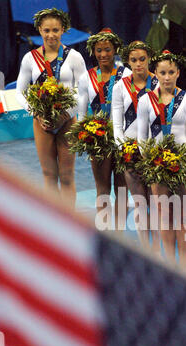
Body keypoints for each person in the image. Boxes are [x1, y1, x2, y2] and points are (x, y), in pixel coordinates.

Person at [16, 8, 86, 209]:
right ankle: (54, 220)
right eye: (46, 30)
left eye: (55, 30)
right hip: (42, 122)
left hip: (67, 121)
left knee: (66, 176)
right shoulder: (30, 58)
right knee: (49, 175)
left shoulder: (74, 57)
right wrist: (36, 113)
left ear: (63, 29)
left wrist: (66, 115)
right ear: (39, 30)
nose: (51, 35)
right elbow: (20, 92)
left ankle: (70, 221)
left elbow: (81, 91)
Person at [137, 50, 186, 268]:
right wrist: (150, 160)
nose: (166, 77)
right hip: (157, 165)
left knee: (183, 216)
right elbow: (141, 137)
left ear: (178, 73)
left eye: (171, 72)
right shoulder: (146, 100)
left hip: (183, 165)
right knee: (164, 214)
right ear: (155, 73)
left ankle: (182, 264)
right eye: (162, 72)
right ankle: (169, 264)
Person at [77, 28, 131, 230]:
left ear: (115, 49)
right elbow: (82, 114)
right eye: (99, 50)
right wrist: (84, 136)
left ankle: (119, 234)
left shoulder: (127, 75)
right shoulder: (86, 78)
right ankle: (104, 232)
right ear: (93, 51)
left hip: (122, 138)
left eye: (107, 49)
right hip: (98, 139)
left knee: (122, 189)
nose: (103, 54)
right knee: (102, 189)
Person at [112, 41, 160, 251]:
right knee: (140, 202)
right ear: (127, 62)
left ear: (149, 59)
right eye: (133, 60)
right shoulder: (120, 86)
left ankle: (158, 249)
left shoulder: (160, 83)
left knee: (156, 203)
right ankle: (145, 248)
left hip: (154, 151)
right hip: (130, 150)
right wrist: (123, 146)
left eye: (142, 59)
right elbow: (116, 122)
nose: (138, 64)